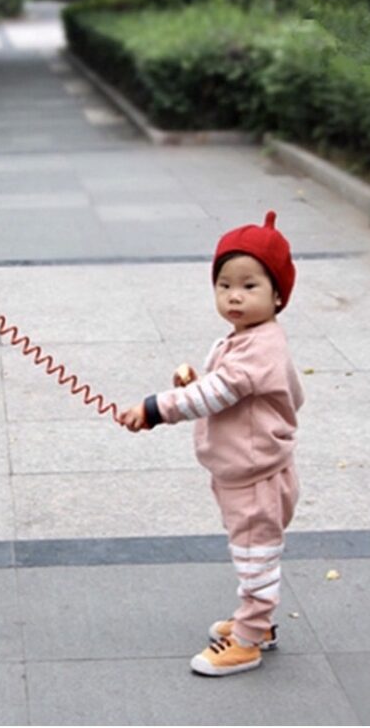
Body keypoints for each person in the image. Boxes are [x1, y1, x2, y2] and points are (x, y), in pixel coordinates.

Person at [120, 211, 304, 676]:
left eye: (249, 286)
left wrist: (158, 407)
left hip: (257, 477)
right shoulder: (242, 339)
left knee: (255, 556)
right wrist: (195, 384)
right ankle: (255, 623)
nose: (234, 296)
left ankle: (248, 640)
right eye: (225, 285)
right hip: (242, 470)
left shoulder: (262, 346)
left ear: (278, 295)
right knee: (248, 550)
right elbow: (229, 391)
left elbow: (220, 392)